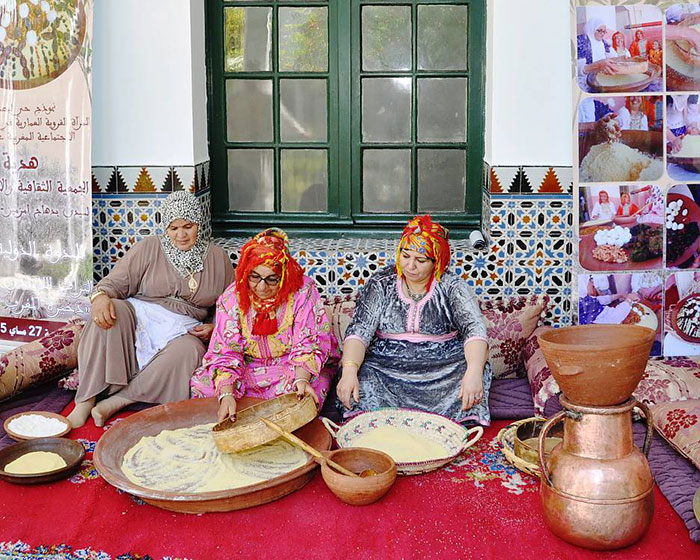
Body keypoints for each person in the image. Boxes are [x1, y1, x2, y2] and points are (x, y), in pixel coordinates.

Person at [66, 191, 235, 428]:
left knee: (190, 352)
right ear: (165, 227)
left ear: (199, 223)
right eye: (173, 228)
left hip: (183, 329)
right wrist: (100, 297)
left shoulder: (218, 258)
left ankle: (120, 400)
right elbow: (112, 284)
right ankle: (85, 399)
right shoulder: (149, 247)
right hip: (140, 316)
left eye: (188, 226)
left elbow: (230, 306)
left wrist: (214, 327)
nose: (181, 235)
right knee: (110, 311)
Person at [335, 215, 491, 425]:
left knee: (472, 373)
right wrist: (350, 370)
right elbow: (360, 330)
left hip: (441, 369)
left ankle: (444, 431)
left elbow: (474, 330)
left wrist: (473, 373)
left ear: (437, 261)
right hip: (386, 366)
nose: (410, 265)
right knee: (362, 376)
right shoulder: (381, 283)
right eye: (405, 255)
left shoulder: (451, 286)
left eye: (420, 260)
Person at [190, 228, 338, 422]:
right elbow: (225, 351)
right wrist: (226, 393)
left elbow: (309, 343)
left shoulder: (303, 292)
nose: (261, 287)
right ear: (245, 272)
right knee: (203, 385)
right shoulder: (231, 298)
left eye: (271, 279)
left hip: (291, 367)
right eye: (254, 277)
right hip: (247, 367)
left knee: (303, 396)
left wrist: (301, 379)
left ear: (283, 275)